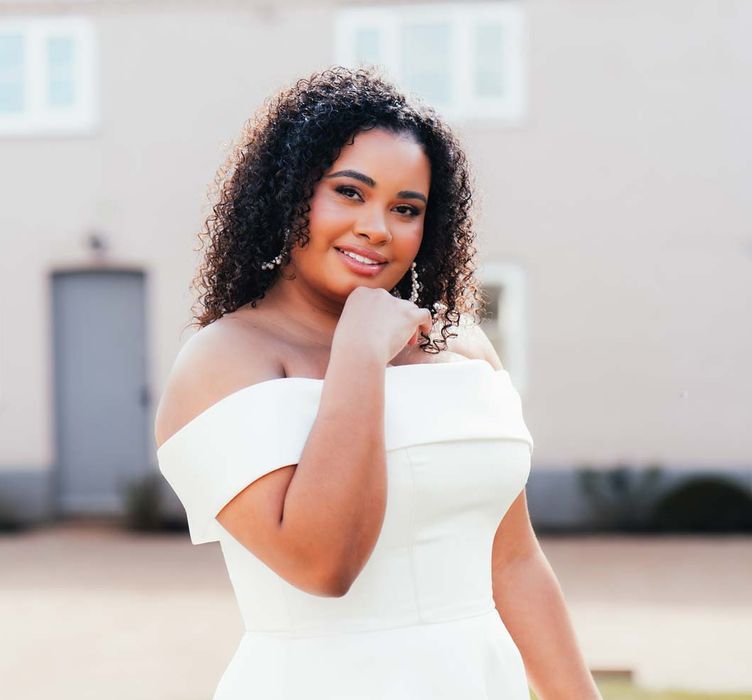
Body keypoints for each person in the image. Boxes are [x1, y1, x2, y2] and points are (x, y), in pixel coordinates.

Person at [154, 66, 602, 700]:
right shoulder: (224, 360)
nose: (378, 228)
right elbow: (322, 563)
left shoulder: (462, 349)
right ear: (289, 196)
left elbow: (513, 562)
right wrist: (359, 356)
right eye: (349, 193)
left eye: (406, 208)